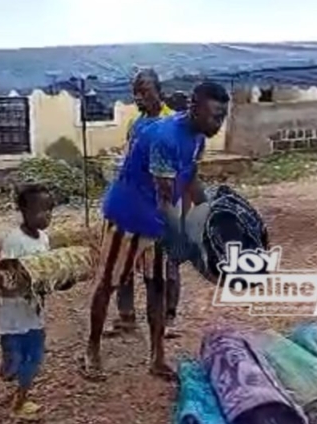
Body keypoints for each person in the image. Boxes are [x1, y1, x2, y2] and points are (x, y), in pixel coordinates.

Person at [86, 81, 229, 381]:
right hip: (128, 217)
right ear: (194, 107)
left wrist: (211, 215)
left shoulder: (198, 138)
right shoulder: (165, 137)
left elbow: (190, 179)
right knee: (108, 284)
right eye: (215, 116)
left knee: (158, 288)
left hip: (158, 220)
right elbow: (164, 198)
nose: (219, 123)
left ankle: (157, 357)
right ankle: (92, 351)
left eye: (223, 117)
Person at [110, 69, 183, 338]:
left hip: (163, 207)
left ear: (159, 92)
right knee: (125, 262)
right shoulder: (136, 125)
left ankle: (167, 319)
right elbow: (130, 158)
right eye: (136, 94)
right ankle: (126, 317)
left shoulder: (173, 123)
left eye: (145, 92)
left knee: (164, 267)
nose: (139, 98)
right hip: (134, 205)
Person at [0, 184, 55, 420]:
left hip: (34, 314)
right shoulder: (14, 242)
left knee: (34, 356)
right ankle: (9, 369)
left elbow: (49, 269)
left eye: (50, 210)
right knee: (15, 359)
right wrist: (25, 285)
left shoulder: (44, 239)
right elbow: (4, 275)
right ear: (24, 211)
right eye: (40, 211)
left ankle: (20, 401)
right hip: (13, 315)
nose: (46, 216)